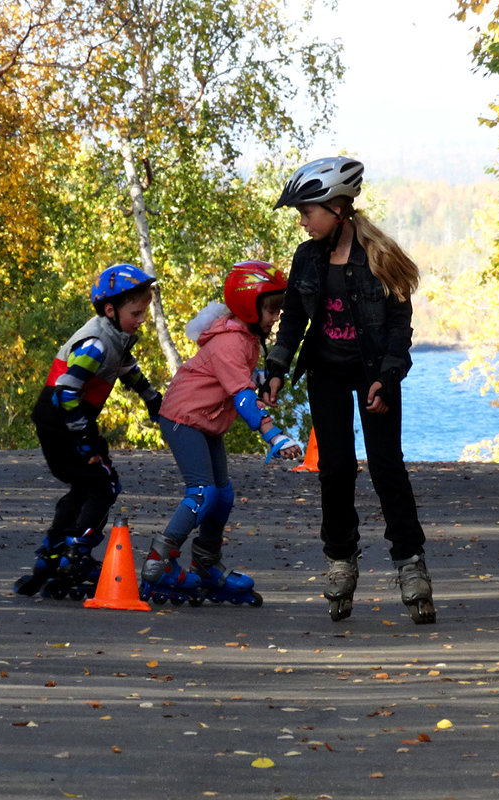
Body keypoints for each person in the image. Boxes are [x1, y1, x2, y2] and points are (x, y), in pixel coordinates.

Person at [261, 157, 436, 624]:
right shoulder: (307, 257)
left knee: (385, 467)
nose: (302, 220)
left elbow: (400, 328)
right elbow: (294, 319)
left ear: (338, 208)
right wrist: (276, 368)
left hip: (375, 372)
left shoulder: (379, 257)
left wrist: (389, 375)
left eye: (307, 211)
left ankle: (410, 564)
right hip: (327, 373)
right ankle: (341, 559)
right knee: (334, 469)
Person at [140, 261, 303, 607]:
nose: (276, 316)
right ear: (249, 305)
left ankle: (206, 565)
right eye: (272, 309)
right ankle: (158, 563)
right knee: (203, 493)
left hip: (206, 420)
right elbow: (241, 396)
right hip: (184, 418)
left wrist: (263, 380)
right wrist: (273, 435)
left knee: (223, 496)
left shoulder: (244, 338)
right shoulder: (230, 341)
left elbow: (242, 379)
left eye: (278, 309)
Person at [14, 263, 163, 599]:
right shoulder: (96, 342)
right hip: (63, 419)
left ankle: (53, 550)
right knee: (104, 484)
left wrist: (151, 397)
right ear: (110, 309)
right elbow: (67, 392)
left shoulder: (115, 335)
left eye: (144, 313)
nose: (141, 320)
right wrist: (85, 441)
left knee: (84, 486)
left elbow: (126, 367)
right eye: (136, 313)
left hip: (64, 418)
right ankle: (77, 554)